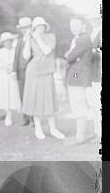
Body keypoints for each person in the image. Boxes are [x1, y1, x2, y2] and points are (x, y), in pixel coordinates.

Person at [21, 17, 65, 140]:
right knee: (35, 101)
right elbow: (26, 56)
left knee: (49, 101)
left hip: (47, 73)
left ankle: (53, 129)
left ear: (45, 27)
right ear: (34, 28)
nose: (40, 28)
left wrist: (38, 38)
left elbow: (46, 51)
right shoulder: (32, 38)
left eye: (42, 26)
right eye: (38, 26)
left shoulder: (51, 37)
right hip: (33, 72)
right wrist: (29, 40)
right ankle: (38, 129)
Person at [63, 18, 93, 146]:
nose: (74, 27)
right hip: (76, 72)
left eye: (76, 25)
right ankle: (79, 135)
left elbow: (69, 56)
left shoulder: (83, 39)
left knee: (78, 103)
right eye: (72, 25)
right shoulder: (78, 39)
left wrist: (69, 56)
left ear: (83, 26)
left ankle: (80, 137)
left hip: (77, 73)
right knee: (77, 104)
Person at [13, 17, 33, 125]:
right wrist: (14, 71)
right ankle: (25, 118)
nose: (24, 30)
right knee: (22, 95)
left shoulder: (33, 38)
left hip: (31, 71)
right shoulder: (20, 40)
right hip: (20, 72)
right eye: (22, 28)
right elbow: (16, 57)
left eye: (26, 27)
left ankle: (33, 119)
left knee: (31, 95)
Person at [86, 14, 102, 145]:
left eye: (96, 17)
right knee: (93, 104)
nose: (93, 20)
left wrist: (91, 52)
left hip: (99, 72)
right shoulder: (91, 32)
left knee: (98, 104)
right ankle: (97, 132)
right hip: (91, 73)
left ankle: (100, 134)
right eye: (91, 17)